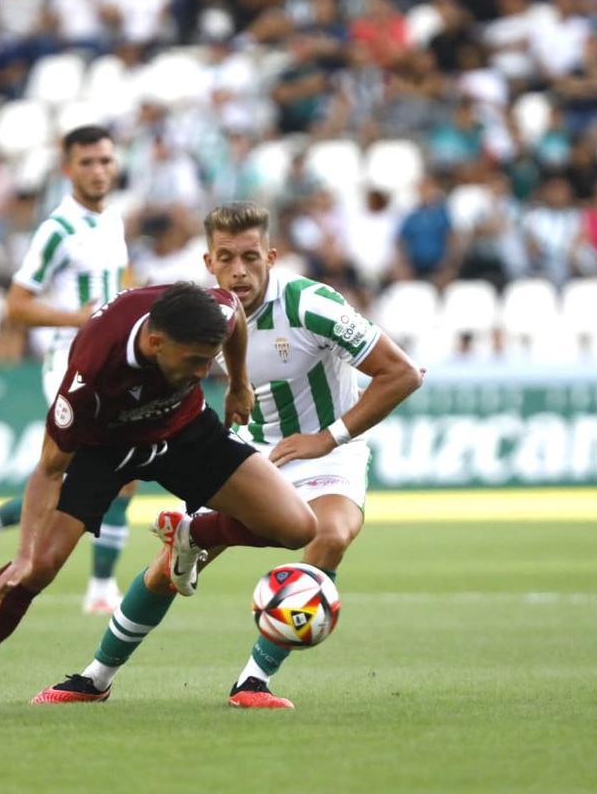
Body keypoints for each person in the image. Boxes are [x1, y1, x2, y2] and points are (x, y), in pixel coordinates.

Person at [31, 202, 423, 709]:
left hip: (329, 450)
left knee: (331, 534)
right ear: (208, 263)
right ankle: (95, 677)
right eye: (226, 258)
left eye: (251, 257)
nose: (240, 271)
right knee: (166, 567)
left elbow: (404, 373)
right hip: (256, 449)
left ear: (272, 257)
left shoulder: (312, 305)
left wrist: (327, 438)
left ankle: (253, 682)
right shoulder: (198, 313)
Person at [0, 281, 319, 720]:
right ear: (155, 343)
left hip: (186, 431)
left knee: (298, 528)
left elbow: (234, 321)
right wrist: (23, 553)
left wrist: (237, 384)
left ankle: (192, 535)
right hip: (105, 451)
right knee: (36, 570)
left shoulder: (212, 313)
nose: (200, 372)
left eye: (206, 361)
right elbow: (48, 469)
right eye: (193, 361)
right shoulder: (91, 374)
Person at [0, 125, 136, 615]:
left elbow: (119, 282)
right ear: (67, 169)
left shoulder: (112, 220)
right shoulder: (57, 230)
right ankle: (99, 588)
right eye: (87, 162)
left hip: (113, 362)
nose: (98, 170)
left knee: (112, 473)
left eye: (105, 161)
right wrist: (79, 317)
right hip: (70, 362)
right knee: (102, 469)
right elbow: (17, 305)